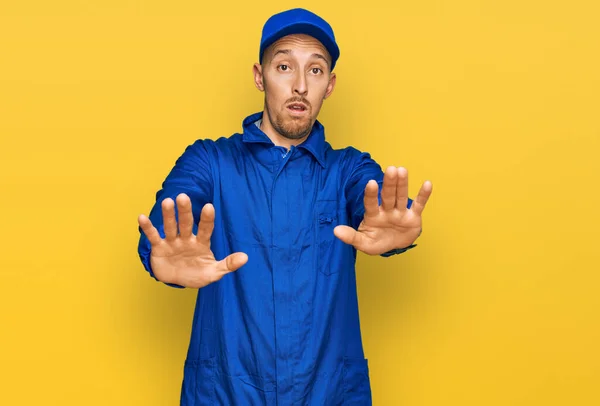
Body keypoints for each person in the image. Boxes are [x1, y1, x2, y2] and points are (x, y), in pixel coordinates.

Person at [137, 7, 432, 405]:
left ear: (329, 85)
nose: (299, 85)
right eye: (283, 66)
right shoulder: (209, 161)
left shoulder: (348, 169)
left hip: (328, 394)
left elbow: (374, 201)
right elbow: (171, 217)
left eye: (315, 70)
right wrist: (161, 254)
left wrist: (393, 230)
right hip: (225, 393)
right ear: (260, 76)